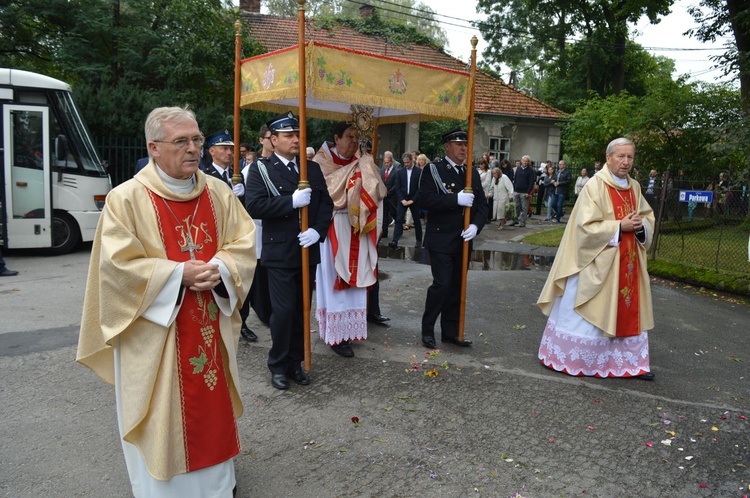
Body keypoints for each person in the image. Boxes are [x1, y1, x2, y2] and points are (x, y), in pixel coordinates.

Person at [76, 106, 256, 497]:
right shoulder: (126, 199)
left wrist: (222, 269)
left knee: (211, 410)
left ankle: (218, 489)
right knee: (161, 418)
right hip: (154, 336)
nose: (193, 149)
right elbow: (116, 268)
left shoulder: (219, 193)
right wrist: (178, 275)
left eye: (196, 139)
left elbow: (242, 244)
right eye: (181, 142)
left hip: (207, 325)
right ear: (153, 147)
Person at [536, 137, 655, 380]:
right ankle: (579, 360)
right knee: (591, 312)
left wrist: (641, 226)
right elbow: (583, 228)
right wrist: (619, 226)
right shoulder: (595, 186)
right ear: (608, 158)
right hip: (598, 262)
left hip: (628, 263)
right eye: (620, 156)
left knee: (627, 308)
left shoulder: (635, 188)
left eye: (630, 157)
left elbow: (647, 217)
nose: (625, 162)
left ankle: (627, 364)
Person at [245, 111, 333, 390]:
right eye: (288, 135)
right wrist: (290, 203)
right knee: (283, 312)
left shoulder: (312, 169)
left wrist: (318, 231)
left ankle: (296, 362)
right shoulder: (262, 169)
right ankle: (278, 364)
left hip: (307, 250)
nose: (295, 139)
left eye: (297, 134)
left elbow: (326, 205)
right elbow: (254, 205)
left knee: (301, 310)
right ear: (273, 139)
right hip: (280, 252)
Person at [313, 121, 386, 357]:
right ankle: (335, 335)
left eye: (356, 137)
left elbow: (379, 192)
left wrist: (367, 171)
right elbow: (323, 195)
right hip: (333, 227)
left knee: (357, 279)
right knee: (335, 278)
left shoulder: (362, 161)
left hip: (358, 228)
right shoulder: (320, 163)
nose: (354, 141)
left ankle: (351, 330)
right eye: (349, 136)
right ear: (337, 137)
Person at [418, 128, 488, 349]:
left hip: (463, 239)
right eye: (459, 145)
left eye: (466, 145)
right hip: (440, 238)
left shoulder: (471, 173)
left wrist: (476, 225)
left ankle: (450, 332)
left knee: (458, 286)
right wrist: (454, 200)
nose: (463, 149)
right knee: (442, 284)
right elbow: (425, 200)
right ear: (447, 147)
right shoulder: (434, 170)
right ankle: (427, 330)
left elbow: (482, 206)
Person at [389, 151, 422, 249]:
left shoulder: (418, 172)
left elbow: (420, 188)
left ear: (412, 161)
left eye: (408, 162)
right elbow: (397, 187)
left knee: (416, 220)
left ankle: (419, 240)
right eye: (405, 162)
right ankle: (395, 240)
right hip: (403, 199)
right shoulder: (400, 172)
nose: (406, 164)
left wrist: (413, 200)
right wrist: (402, 199)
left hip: (414, 200)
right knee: (399, 219)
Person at [204, 130, 245, 204]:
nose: (229, 153)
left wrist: (243, 196)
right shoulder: (205, 176)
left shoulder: (236, 174)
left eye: (231, 149)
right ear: (212, 151)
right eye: (224, 148)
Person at [509, 155, 535, 227]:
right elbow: (516, 178)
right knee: (515, 206)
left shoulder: (530, 171)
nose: (525, 162)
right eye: (524, 161)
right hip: (516, 190)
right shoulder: (518, 169)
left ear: (528, 162)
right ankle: (515, 220)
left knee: (524, 208)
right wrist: (514, 188)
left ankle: (522, 222)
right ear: (521, 161)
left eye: (526, 161)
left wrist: (528, 192)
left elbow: (531, 182)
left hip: (524, 192)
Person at [380, 151, 399, 239]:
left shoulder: (396, 171)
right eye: (385, 162)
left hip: (392, 197)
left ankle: (399, 229)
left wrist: (389, 192)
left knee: (393, 213)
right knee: (384, 215)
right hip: (384, 197)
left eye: (388, 162)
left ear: (391, 162)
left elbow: (396, 184)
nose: (386, 164)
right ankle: (384, 231)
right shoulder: (382, 170)